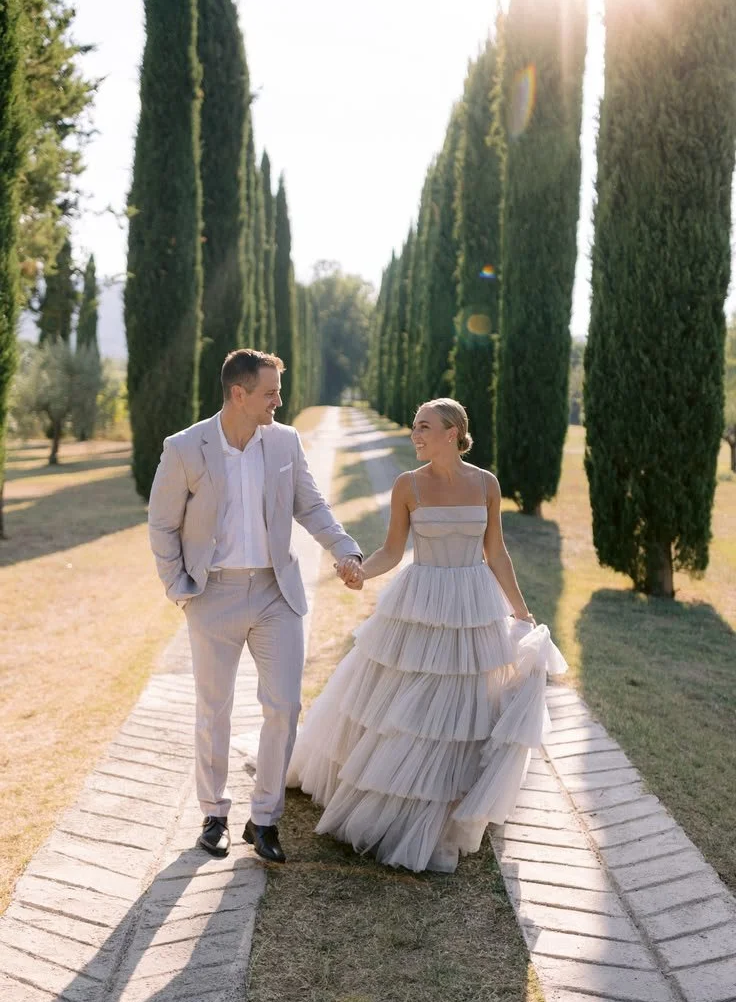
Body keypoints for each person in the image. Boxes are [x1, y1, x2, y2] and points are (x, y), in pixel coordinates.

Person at [288, 398, 567, 873]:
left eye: (424, 427)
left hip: (474, 598)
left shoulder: (486, 484)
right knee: (407, 705)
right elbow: (392, 551)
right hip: (420, 599)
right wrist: (359, 571)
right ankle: (398, 797)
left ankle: (451, 794)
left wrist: (519, 610)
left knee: (464, 701)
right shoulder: (408, 485)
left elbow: (496, 553)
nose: (415, 435)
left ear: (454, 432)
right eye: (414, 428)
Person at [148, 349, 363, 864]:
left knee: (285, 706)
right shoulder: (185, 448)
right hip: (212, 595)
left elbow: (310, 503)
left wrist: (345, 550)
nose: (279, 401)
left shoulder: (285, 441)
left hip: (275, 593)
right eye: (271, 392)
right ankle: (214, 815)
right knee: (213, 710)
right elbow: (162, 524)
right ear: (238, 393)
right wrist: (181, 589)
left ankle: (264, 821)